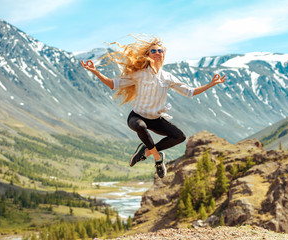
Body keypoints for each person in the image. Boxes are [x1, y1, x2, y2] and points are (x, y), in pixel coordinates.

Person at [81, 36, 226, 178]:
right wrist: (95, 71)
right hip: (137, 116)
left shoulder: (168, 77)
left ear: (163, 55)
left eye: (160, 51)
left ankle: (146, 151)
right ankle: (158, 159)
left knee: (180, 136)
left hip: (156, 119)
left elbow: (190, 92)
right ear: (148, 55)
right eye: (154, 51)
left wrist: (211, 84)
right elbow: (113, 84)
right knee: (140, 126)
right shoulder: (139, 74)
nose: (157, 53)